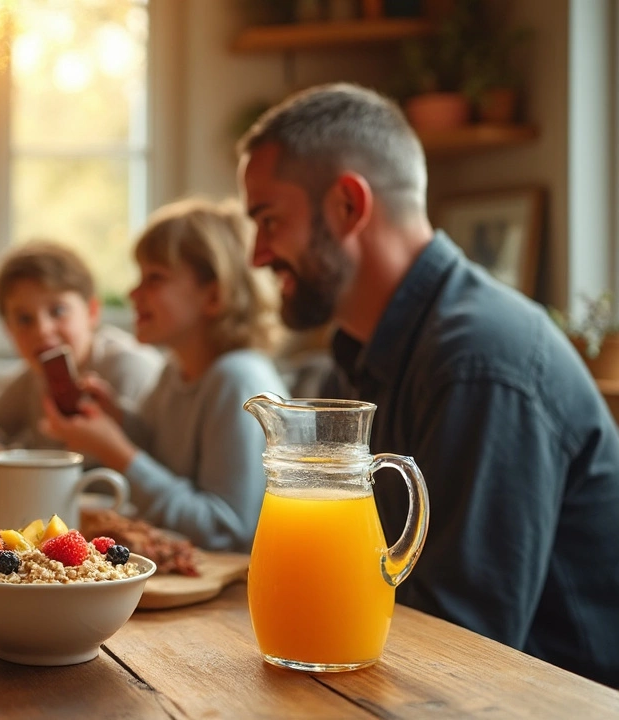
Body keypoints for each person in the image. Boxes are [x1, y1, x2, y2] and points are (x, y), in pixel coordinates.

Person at [237, 82, 619, 687]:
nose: (258, 256)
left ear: (347, 207)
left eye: (269, 220)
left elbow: (467, 641)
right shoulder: (372, 352)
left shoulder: (481, 362)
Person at [40, 199, 289, 552]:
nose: (133, 293)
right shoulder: (175, 372)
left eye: (154, 278)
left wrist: (117, 451)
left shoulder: (238, 380)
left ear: (214, 295)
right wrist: (119, 420)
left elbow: (229, 531)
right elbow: (163, 457)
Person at [0, 240, 163, 464]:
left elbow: (150, 459)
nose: (43, 330)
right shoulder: (30, 378)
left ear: (92, 312)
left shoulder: (128, 368)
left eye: (58, 311)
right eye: (24, 319)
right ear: (9, 330)